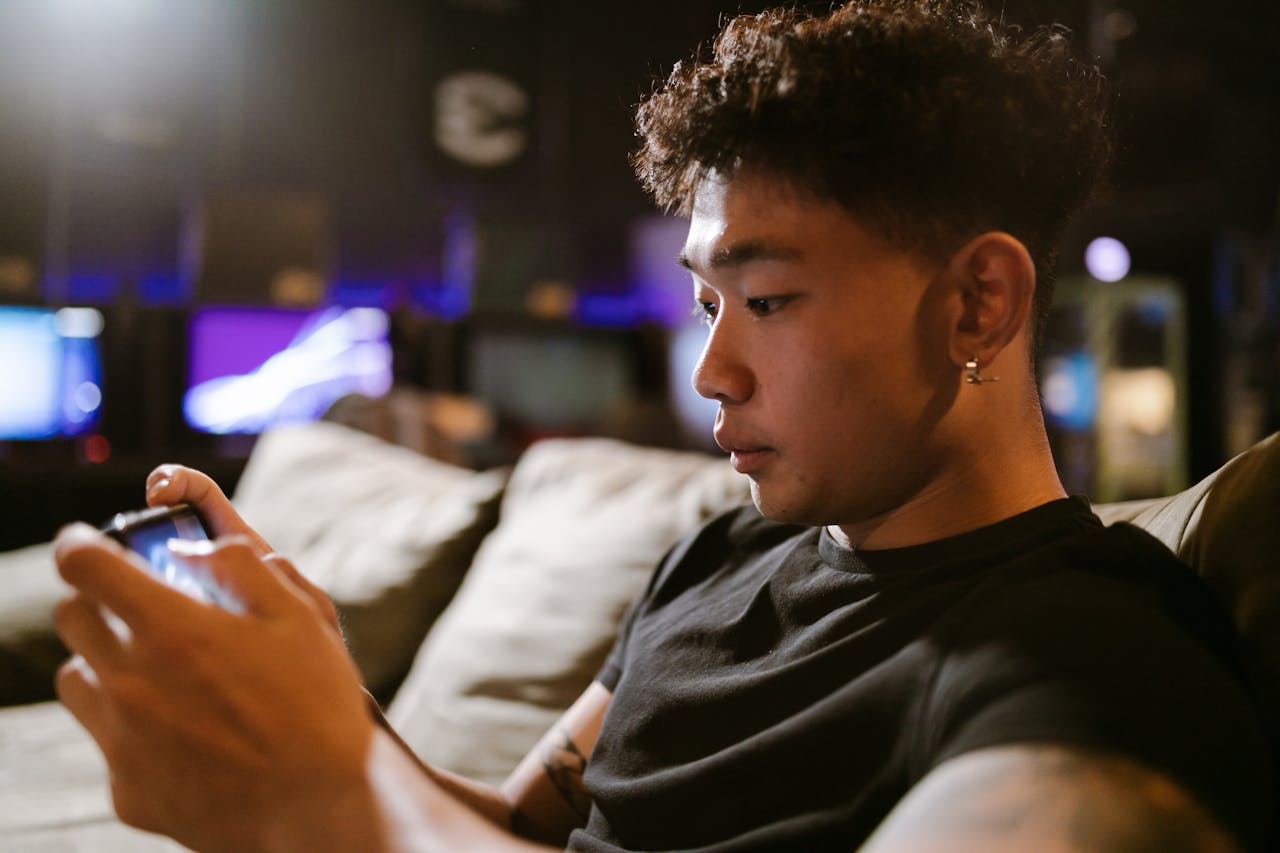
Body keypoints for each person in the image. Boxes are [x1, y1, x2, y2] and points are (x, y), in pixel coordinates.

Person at [52, 1, 1273, 851]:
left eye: (768, 300)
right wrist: (330, 707)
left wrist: (319, 799)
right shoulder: (714, 557)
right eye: (705, 304)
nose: (710, 371)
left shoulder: (1089, 656)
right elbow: (515, 827)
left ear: (976, 303)